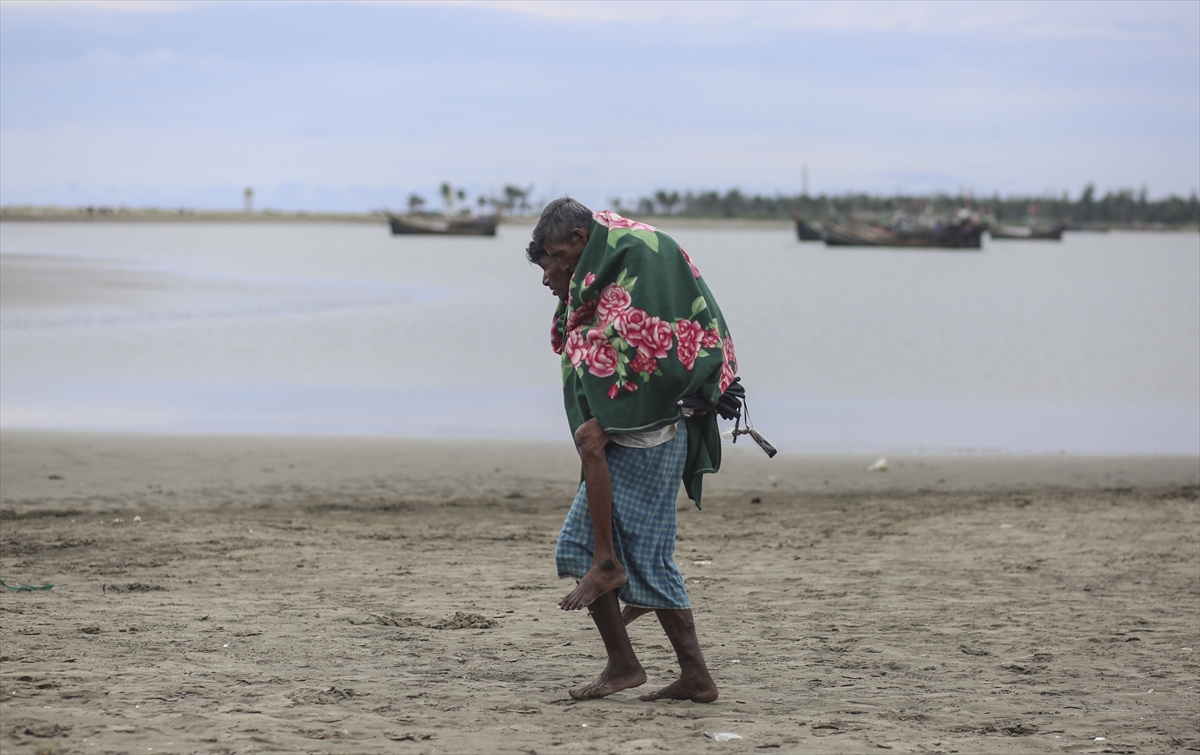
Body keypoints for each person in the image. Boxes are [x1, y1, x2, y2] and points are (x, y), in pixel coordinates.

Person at [527, 197, 739, 703]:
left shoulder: (640, 252)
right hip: (635, 424)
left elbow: (664, 340)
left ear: (579, 240)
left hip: (657, 427)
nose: (552, 272)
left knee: (648, 556)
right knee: (580, 547)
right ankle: (624, 663)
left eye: (557, 257)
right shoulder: (603, 262)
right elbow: (602, 331)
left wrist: (610, 417)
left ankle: (696, 677)